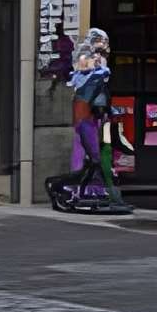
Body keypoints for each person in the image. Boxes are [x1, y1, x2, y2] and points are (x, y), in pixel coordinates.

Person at [47, 27, 131, 214]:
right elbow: (87, 76)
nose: (105, 46)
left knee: (95, 162)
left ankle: (90, 192)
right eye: (102, 41)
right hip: (86, 119)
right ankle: (70, 188)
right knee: (95, 161)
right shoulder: (88, 63)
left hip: (94, 119)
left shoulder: (97, 68)